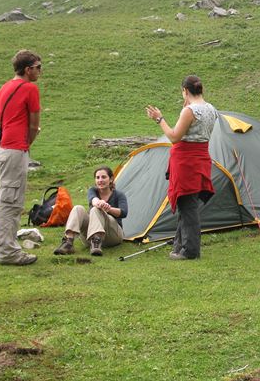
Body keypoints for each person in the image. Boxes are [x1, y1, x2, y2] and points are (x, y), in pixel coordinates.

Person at [145, 75, 217, 260]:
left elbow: (174, 136)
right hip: (201, 158)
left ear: (185, 91)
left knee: (188, 206)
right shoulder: (210, 109)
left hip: (186, 161)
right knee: (188, 204)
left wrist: (159, 119)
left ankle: (191, 250)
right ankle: (179, 247)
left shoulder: (190, 111)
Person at [0, 49, 42, 266]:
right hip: (15, 150)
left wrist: (10, 125)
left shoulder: (4, 88)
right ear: (28, 69)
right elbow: (34, 125)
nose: (40, 72)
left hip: (5, 151)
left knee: (9, 198)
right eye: (38, 67)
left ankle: (9, 249)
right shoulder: (30, 88)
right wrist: (26, 143)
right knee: (10, 202)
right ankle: (8, 252)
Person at [53, 166, 128, 257]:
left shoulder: (119, 195)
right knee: (78, 208)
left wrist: (108, 209)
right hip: (89, 238)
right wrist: (99, 203)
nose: (100, 180)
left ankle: (97, 242)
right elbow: (94, 200)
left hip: (113, 236)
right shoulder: (92, 190)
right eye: (97, 177)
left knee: (96, 210)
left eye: (103, 177)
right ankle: (68, 242)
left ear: (111, 179)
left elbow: (124, 213)